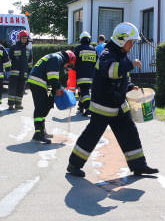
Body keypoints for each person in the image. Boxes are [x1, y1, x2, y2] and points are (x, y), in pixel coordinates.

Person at [67, 22, 158, 177]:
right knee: (92, 135)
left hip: (118, 106)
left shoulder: (121, 55)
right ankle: (74, 164)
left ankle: (139, 166)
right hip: (103, 106)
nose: (132, 45)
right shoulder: (107, 54)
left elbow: (121, 78)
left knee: (130, 132)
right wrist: (131, 64)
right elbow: (111, 71)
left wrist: (130, 86)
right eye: (131, 42)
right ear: (122, 40)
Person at [27, 50, 76, 143]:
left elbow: (53, 78)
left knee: (47, 105)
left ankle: (42, 131)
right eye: (69, 65)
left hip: (43, 83)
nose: (67, 68)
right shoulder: (56, 58)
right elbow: (52, 77)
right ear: (68, 60)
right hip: (38, 82)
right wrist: (57, 88)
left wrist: (58, 88)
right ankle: (38, 133)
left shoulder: (55, 58)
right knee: (40, 107)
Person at [73, 31, 97, 116]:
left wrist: (71, 68)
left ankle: (88, 107)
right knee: (84, 91)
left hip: (81, 74)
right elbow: (96, 62)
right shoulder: (93, 49)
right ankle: (81, 105)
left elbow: (74, 60)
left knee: (84, 90)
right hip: (91, 75)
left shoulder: (79, 48)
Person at [7, 30, 32, 110]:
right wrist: (8, 69)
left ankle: (18, 104)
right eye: (23, 38)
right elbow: (9, 59)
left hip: (23, 73)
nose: (24, 39)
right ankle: (11, 104)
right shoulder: (13, 47)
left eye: (25, 38)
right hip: (14, 72)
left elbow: (30, 62)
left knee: (21, 89)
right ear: (19, 38)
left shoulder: (28, 49)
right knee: (12, 88)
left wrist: (29, 71)